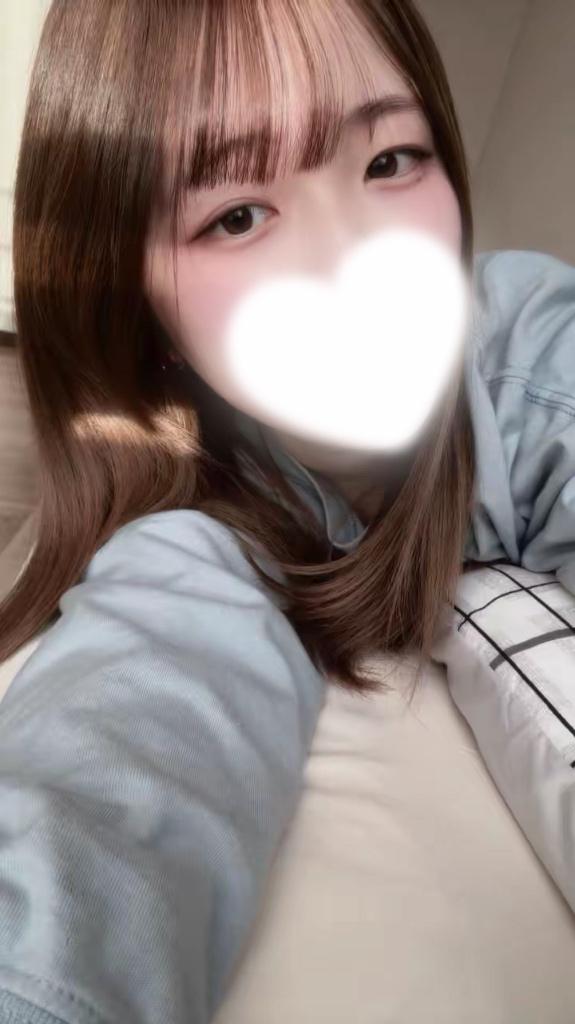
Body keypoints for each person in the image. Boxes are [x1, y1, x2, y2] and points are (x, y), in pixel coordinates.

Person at [1, 1, 574, 1022]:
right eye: (235, 215)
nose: (353, 257)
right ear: (141, 308)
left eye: (390, 160)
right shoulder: (193, 535)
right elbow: (113, 767)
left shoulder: (528, 353)